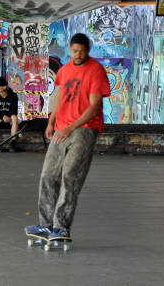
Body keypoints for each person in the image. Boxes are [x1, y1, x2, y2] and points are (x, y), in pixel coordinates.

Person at [25, 33, 111, 240]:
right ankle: (45, 225)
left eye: (82, 51)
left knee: (70, 177)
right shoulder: (64, 70)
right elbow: (59, 98)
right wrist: (52, 121)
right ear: (70, 50)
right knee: (48, 175)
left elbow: (93, 107)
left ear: (87, 51)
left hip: (84, 129)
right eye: (75, 51)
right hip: (61, 128)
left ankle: (61, 226)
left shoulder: (95, 70)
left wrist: (70, 128)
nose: (78, 54)